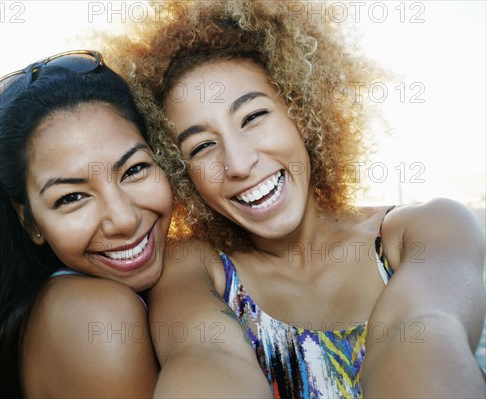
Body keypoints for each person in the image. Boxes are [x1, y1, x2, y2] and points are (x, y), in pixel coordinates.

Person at [109, 1, 486, 397]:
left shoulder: (427, 230)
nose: (238, 163)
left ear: (301, 113)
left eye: (253, 117)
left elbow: (421, 335)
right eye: (202, 146)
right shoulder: (194, 267)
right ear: (182, 173)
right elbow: (204, 356)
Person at [0, 50, 171, 398]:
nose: (124, 220)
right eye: (71, 197)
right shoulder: (98, 317)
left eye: (134, 170)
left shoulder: (51, 301)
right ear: (29, 221)